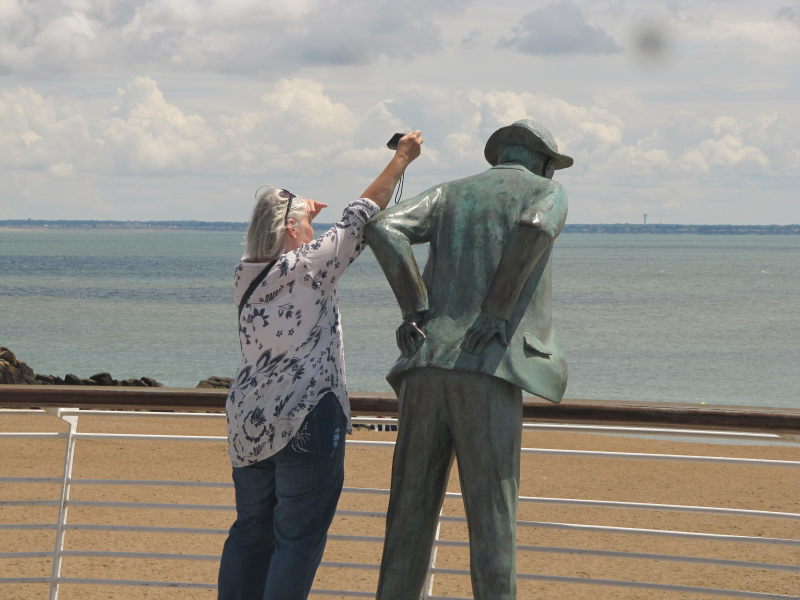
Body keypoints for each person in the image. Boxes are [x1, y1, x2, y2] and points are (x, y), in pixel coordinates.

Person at [364, 119, 572, 600]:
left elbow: (383, 227)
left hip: (424, 364)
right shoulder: (546, 192)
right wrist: (496, 312)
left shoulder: (450, 193)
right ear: (541, 161)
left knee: (409, 516)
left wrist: (416, 308)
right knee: (492, 517)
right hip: (488, 368)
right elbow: (536, 228)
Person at [217, 130, 423, 600]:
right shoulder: (310, 265)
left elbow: (292, 235)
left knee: (251, 532)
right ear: (292, 231)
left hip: (248, 420)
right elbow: (362, 213)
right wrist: (402, 158)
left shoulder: (245, 273)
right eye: (304, 225)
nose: (312, 230)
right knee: (297, 539)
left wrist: (298, 212)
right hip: (306, 414)